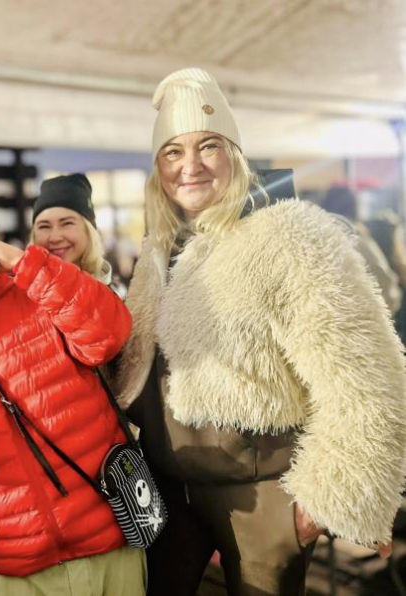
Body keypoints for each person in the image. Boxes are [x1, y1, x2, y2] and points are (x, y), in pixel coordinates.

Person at [112, 67, 406, 596]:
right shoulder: (163, 246)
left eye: (208, 145)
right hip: (170, 492)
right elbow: (138, 363)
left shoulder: (291, 236)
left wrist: (322, 501)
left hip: (261, 499)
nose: (191, 166)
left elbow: (367, 374)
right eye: (172, 152)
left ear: (235, 153)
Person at [0, 181, 145, 595]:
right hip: (19, 567)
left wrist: (18, 260)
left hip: (108, 541)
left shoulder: (39, 296)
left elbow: (110, 332)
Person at [321, 184, 402, 313]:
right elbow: (388, 293)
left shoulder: (318, 242)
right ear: (354, 208)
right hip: (369, 321)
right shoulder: (358, 238)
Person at [30, 173, 118, 288]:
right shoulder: (18, 292)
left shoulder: (116, 297)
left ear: (89, 231)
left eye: (67, 223)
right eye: (44, 226)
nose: (55, 238)